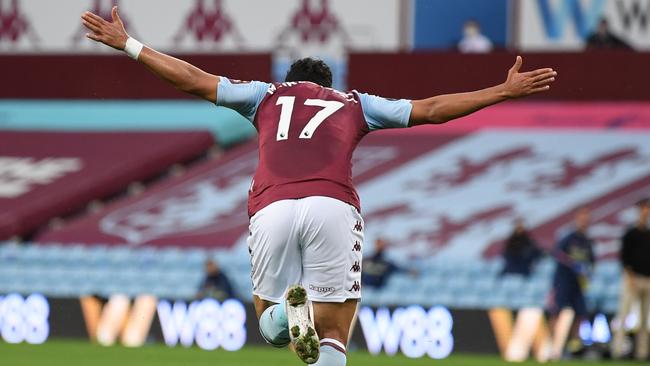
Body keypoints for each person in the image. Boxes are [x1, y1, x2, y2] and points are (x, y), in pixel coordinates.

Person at [80, 7, 556, 365]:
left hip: (271, 207)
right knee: (336, 331)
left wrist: (130, 45)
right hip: (332, 204)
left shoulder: (264, 96)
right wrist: (501, 91)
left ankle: (292, 313)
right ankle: (315, 323)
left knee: (271, 329)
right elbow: (430, 109)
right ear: (329, 85)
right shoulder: (355, 103)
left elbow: (195, 81)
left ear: (289, 82)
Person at [547, 207, 595, 357]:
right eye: (582, 218)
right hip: (563, 281)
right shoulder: (569, 238)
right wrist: (571, 262)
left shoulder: (587, 241)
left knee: (581, 315)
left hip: (578, 284)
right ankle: (550, 347)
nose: (584, 222)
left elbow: (592, 261)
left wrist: (587, 272)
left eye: (586, 219)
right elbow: (556, 252)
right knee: (557, 313)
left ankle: (573, 349)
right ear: (577, 220)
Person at [612, 198, 650, 360]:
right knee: (624, 316)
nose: (645, 212)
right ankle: (617, 351)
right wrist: (630, 277)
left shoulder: (648, 234)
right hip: (632, 279)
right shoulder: (630, 234)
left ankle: (642, 353)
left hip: (647, 280)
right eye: (643, 208)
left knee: (644, 320)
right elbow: (624, 258)